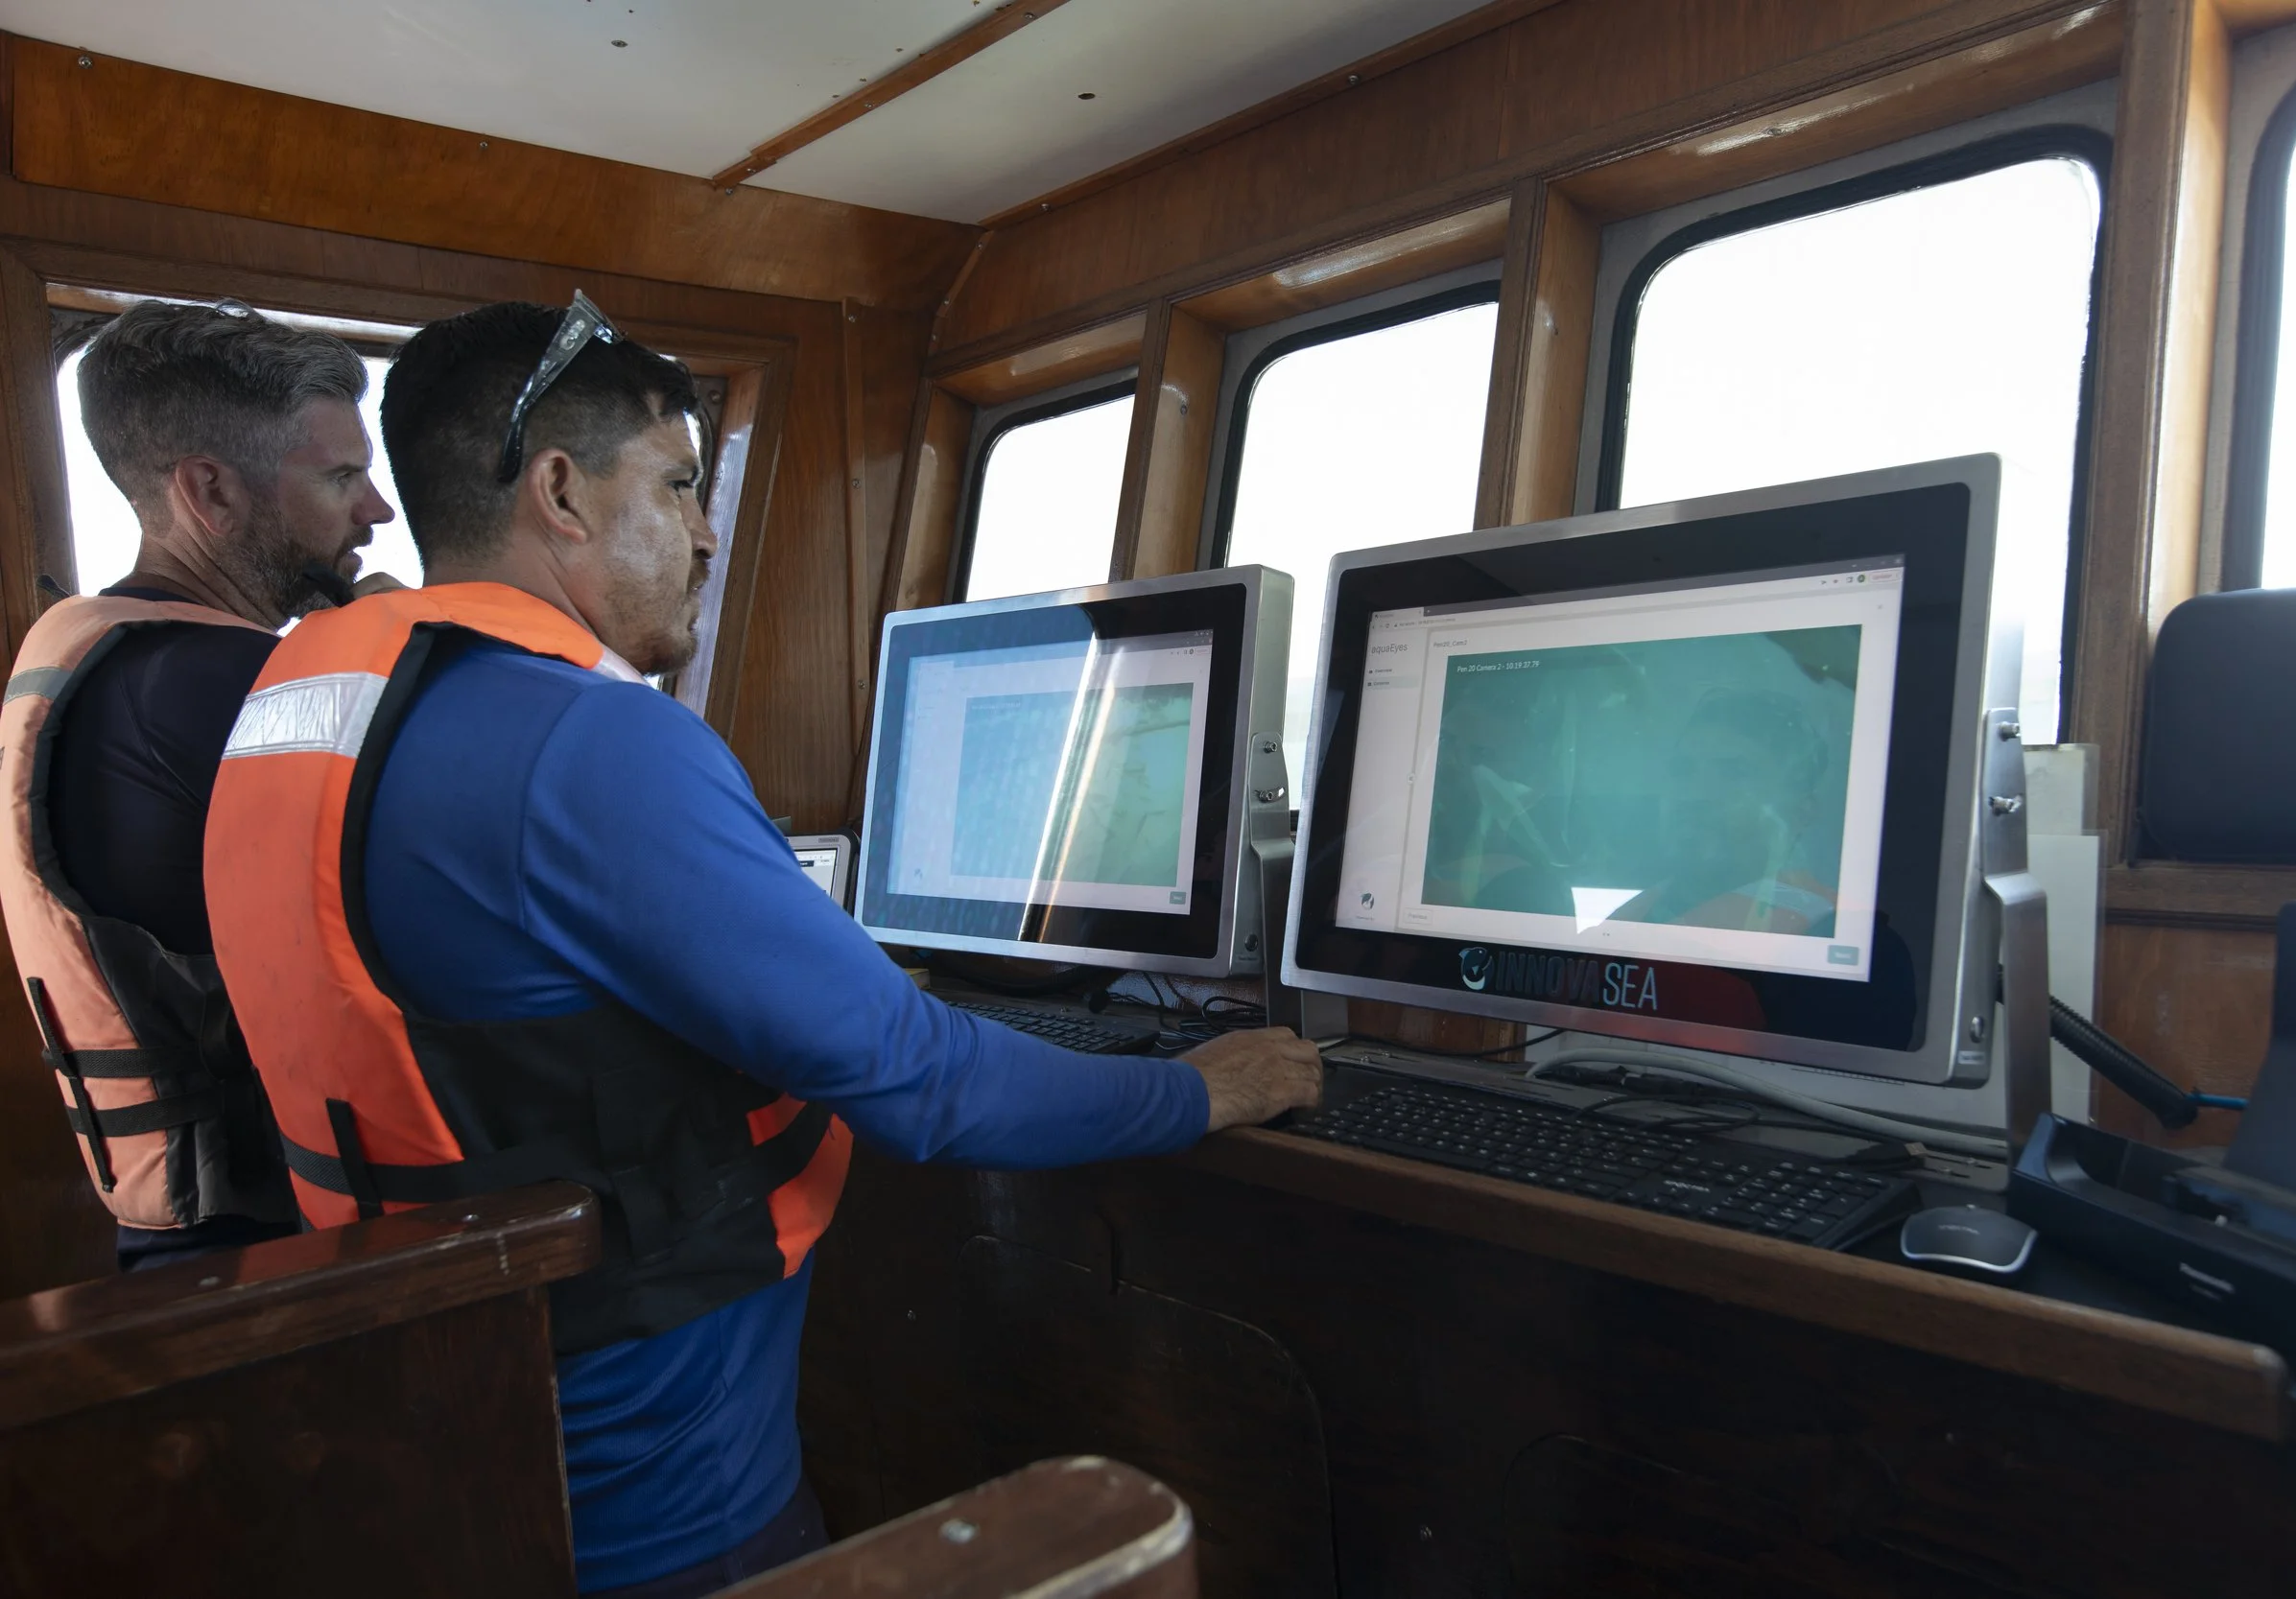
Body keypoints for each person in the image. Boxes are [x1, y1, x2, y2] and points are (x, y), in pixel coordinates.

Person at [201, 296, 1322, 1597]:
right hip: (657, 1487)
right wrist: (1202, 1085)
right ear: (560, 492)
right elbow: (923, 1079)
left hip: (436, 1415)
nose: (705, 530)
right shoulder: (586, 739)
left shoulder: (305, 715)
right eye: (678, 483)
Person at [0, 299, 397, 1269]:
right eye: (341, 476)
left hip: (171, 1224)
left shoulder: (89, 648)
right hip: (268, 1242)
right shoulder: (218, 688)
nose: (376, 511)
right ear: (210, 491)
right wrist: (402, 653)